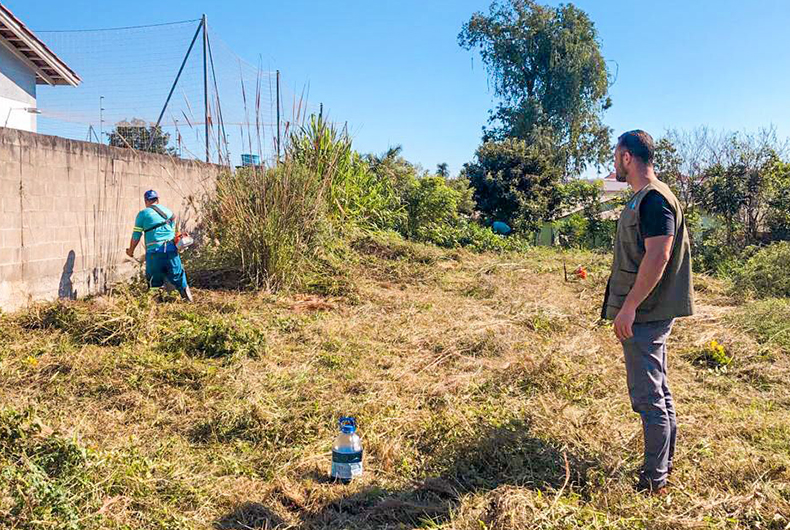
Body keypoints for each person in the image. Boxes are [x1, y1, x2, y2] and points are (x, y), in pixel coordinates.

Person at [602, 130, 694, 494]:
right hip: (648, 309)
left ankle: (653, 481)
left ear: (627, 157)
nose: (614, 164)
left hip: (646, 312)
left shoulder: (654, 200)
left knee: (649, 398)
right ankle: (663, 467)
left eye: (615, 156)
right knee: (659, 391)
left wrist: (629, 307)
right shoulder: (643, 197)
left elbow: (659, 255)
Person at [126, 190, 193, 302]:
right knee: (178, 276)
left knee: (153, 281)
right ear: (158, 200)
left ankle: (155, 306)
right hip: (171, 250)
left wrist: (131, 251)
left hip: (154, 253)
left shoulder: (143, 214)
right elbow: (172, 233)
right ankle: (187, 299)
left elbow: (136, 236)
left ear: (146, 201)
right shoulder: (169, 213)